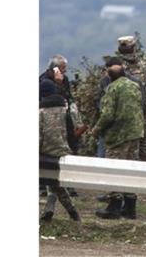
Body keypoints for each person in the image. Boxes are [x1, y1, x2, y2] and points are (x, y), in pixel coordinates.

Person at [91, 57, 144, 220]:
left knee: (113, 170)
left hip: (118, 136)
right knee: (130, 171)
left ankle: (113, 207)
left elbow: (107, 115)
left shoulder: (112, 89)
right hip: (135, 134)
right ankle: (130, 208)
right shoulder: (135, 86)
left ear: (108, 74)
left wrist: (96, 129)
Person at [39, 92, 82, 222]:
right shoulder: (66, 110)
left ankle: (66, 211)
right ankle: (70, 212)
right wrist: (74, 148)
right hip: (64, 151)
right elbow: (74, 131)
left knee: (53, 182)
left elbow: (39, 134)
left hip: (46, 152)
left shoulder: (41, 112)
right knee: (54, 183)